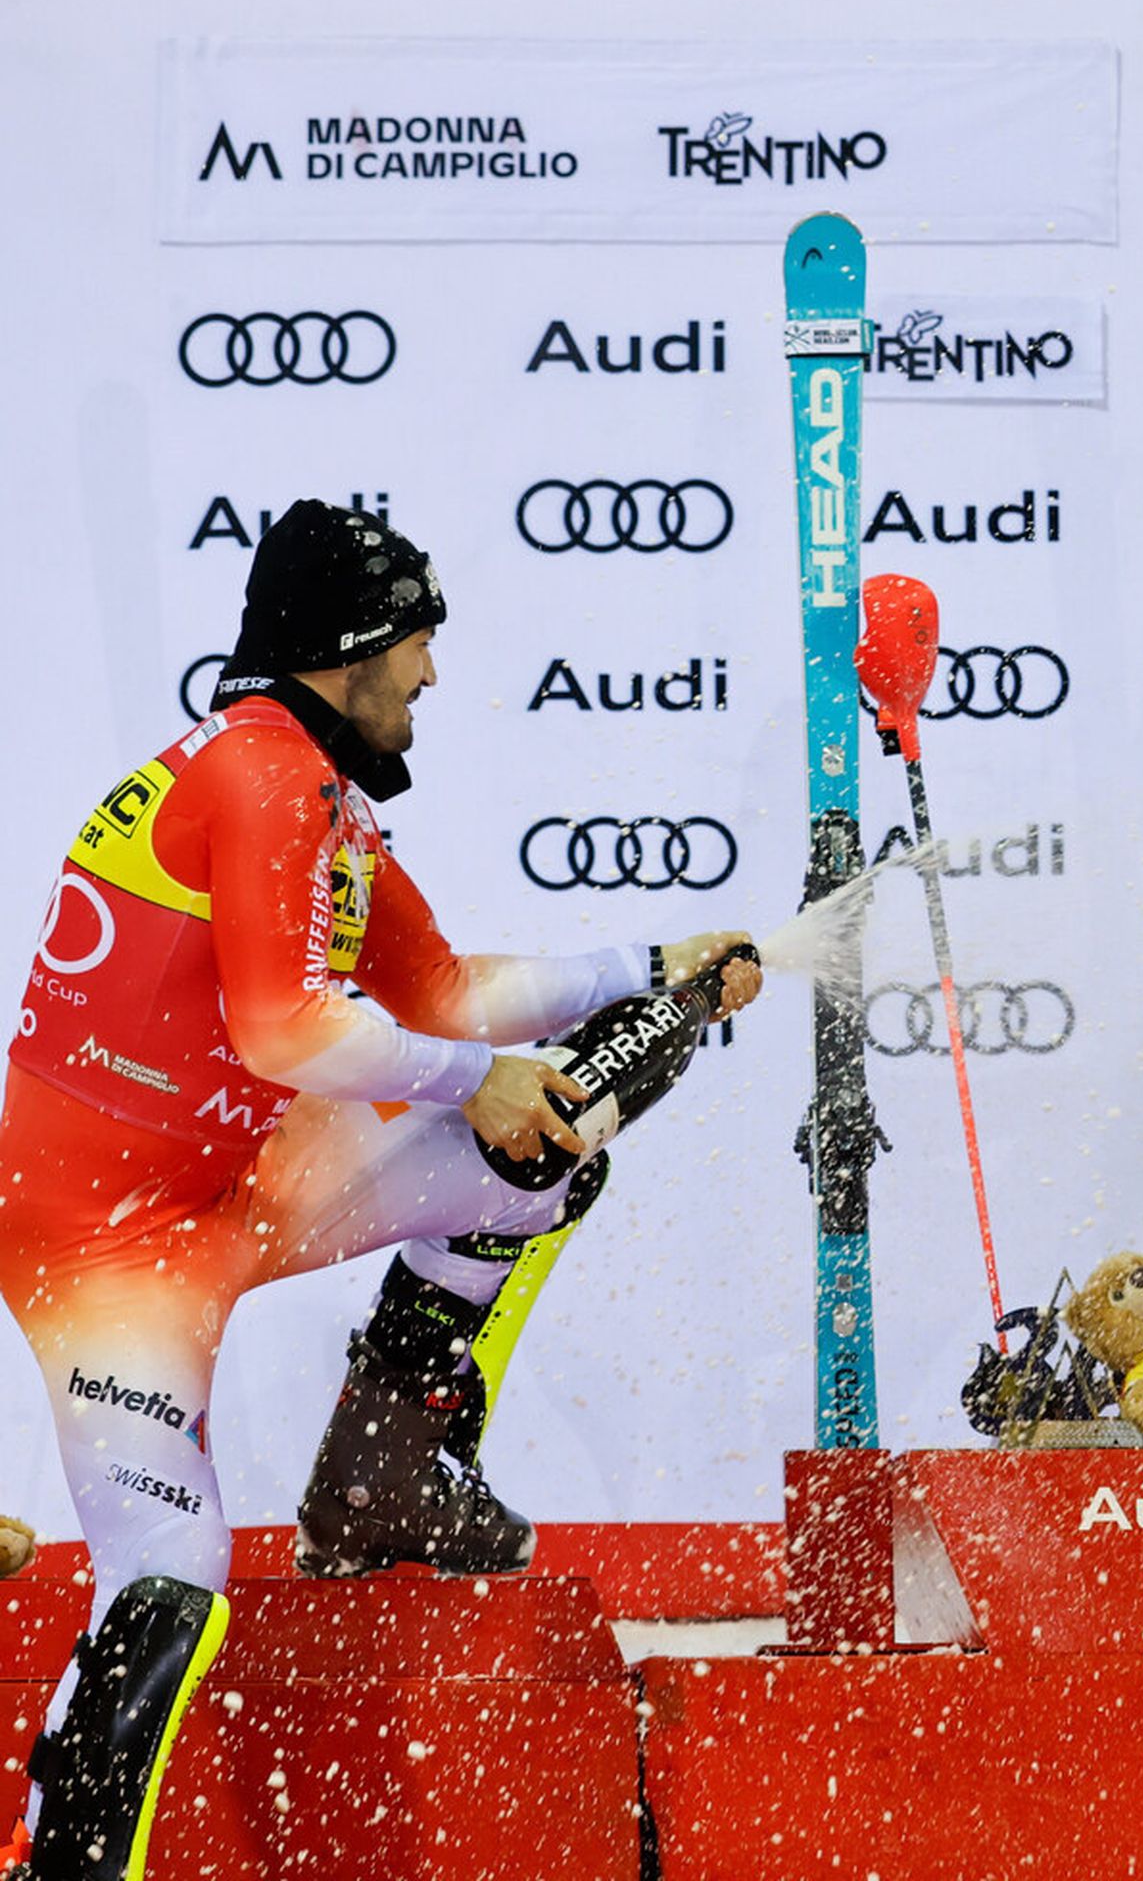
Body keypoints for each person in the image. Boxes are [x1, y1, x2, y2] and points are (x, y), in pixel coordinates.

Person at [0, 501, 759, 1877]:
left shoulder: (317, 791)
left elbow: (449, 995)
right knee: (169, 1589)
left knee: (542, 1147)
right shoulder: (266, 777)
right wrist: (477, 1078)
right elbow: (287, 1031)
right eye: (415, 641)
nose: (430, 675)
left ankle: (384, 1469)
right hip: (104, 1258)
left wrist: (655, 964)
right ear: (347, 649)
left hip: (239, 1184)